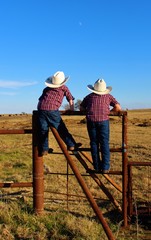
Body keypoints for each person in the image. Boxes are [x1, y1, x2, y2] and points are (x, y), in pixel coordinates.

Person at [80, 78, 121, 173]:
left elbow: (81, 107)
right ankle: (105, 167)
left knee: (94, 143)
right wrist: (108, 112)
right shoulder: (108, 96)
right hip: (103, 121)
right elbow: (118, 107)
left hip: (91, 121)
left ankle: (97, 166)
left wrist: (88, 111)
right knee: (104, 143)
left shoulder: (89, 97)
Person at [37, 71, 81, 156]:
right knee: (61, 128)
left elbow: (40, 99)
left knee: (43, 130)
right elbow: (70, 98)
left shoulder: (46, 89)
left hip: (41, 109)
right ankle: (71, 145)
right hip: (52, 110)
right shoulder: (64, 87)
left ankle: (44, 149)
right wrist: (72, 109)